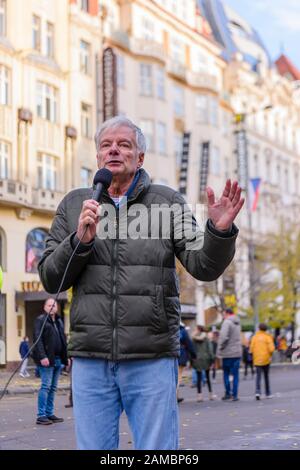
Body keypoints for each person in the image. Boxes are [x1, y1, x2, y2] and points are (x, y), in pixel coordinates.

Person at [38, 116, 244, 450]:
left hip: (151, 357)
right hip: (91, 359)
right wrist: (80, 241)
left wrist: (218, 233)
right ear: (97, 157)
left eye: (124, 144)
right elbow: (50, 276)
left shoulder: (167, 202)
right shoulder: (75, 204)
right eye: (106, 145)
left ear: (140, 157)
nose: (113, 150)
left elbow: (204, 266)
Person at [32, 298, 68, 425]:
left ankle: (49, 413)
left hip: (58, 359)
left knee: (53, 388)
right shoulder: (40, 320)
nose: (52, 307)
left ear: (57, 307)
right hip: (47, 360)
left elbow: (63, 339)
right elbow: (37, 339)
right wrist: (42, 356)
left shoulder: (58, 321)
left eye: (54, 305)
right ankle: (41, 415)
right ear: (44, 307)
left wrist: (67, 356)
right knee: (45, 386)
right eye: (49, 305)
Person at [217, 308, 242, 401]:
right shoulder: (238, 323)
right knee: (235, 375)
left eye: (224, 314)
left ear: (227, 313)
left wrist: (220, 348)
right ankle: (234, 395)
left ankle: (228, 393)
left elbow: (223, 337)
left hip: (227, 353)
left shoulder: (226, 322)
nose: (223, 316)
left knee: (226, 373)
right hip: (237, 352)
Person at [250, 323, 275, 400]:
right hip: (266, 359)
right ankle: (268, 393)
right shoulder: (268, 337)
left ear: (259, 328)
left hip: (257, 359)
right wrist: (270, 354)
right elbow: (272, 349)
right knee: (266, 376)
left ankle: (257, 392)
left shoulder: (255, 337)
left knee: (258, 376)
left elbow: (251, 349)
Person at [192, 326, 215, 402]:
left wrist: (191, 359)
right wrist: (212, 359)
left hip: (197, 359)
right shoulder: (206, 338)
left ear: (198, 330)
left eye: (195, 329)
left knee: (199, 378)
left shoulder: (193, 339)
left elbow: (191, 349)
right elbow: (210, 349)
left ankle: (199, 396)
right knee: (208, 377)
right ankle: (210, 394)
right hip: (206, 359)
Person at [178, 322, 195, 403]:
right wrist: (193, 354)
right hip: (180, 355)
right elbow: (189, 343)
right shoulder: (183, 331)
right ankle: (175, 396)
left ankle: (176, 396)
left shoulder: (170, 328)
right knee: (178, 376)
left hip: (169, 356)